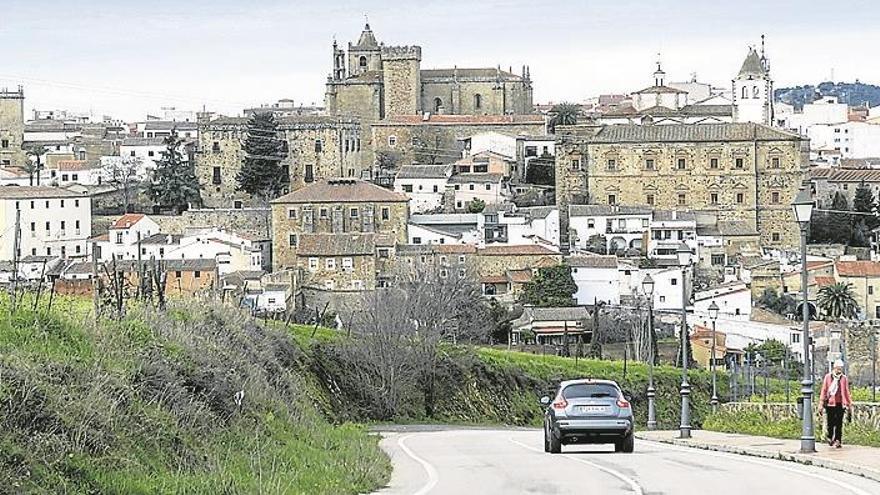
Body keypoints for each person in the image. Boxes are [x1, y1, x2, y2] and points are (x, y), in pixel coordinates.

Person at [819, 359, 853, 448]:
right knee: (830, 422)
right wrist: (821, 403)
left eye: (840, 369)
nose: (839, 371)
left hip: (840, 403)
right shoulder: (828, 377)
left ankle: (838, 440)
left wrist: (849, 403)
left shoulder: (843, 378)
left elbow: (846, 391)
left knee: (839, 423)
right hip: (830, 403)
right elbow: (824, 390)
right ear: (834, 368)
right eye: (838, 369)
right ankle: (830, 437)